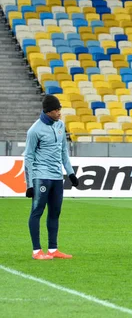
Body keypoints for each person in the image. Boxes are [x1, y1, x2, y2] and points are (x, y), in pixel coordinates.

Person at [24, 95, 79, 260]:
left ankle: (53, 249)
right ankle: (36, 251)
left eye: (59, 109)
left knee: (55, 212)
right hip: (41, 176)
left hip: (56, 177)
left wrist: (70, 173)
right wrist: (29, 184)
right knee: (37, 211)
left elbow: (63, 152)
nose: (59, 113)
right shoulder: (34, 130)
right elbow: (28, 157)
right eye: (56, 110)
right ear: (47, 111)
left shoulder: (61, 125)